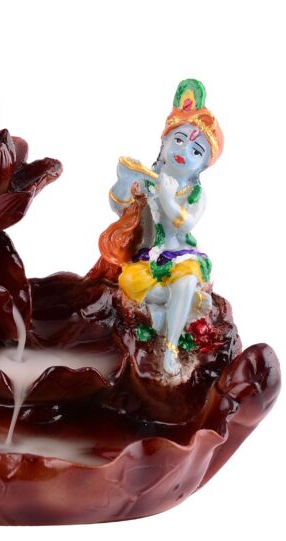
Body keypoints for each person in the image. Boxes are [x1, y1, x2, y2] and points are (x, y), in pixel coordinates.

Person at [100, 79, 224, 376]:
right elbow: (119, 206)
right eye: (178, 140)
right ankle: (182, 306)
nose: (184, 151)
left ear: (202, 166)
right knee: (129, 281)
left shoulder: (194, 194)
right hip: (150, 257)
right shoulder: (148, 179)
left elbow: (186, 222)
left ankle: (170, 348)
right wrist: (124, 181)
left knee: (185, 280)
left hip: (182, 256)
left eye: (196, 151)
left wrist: (168, 198)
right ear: (164, 142)